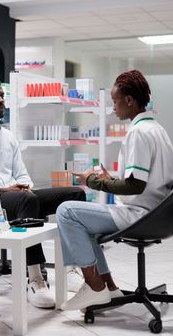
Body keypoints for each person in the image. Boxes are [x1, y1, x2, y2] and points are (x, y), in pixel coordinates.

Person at [0, 76, 86, 309]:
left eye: (2, 96)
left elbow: (23, 175)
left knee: (75, 195)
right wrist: (3, 189)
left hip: (18, 198)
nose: (1, 101)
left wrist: (24, 185)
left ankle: (73, 266)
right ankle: (35, 279)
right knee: (27, 199)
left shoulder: (8, 137)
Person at [56, 69, 173, 311]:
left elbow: (135, 185)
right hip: (159, 215)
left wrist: (93, 181)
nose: (113, 107)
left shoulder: (138, 133)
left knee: (66, 211)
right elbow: (144, 179)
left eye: (114, 101)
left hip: (139, 215)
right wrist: (113, 179)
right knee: (82, 224)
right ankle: (109, 287)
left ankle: (93, 286)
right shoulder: (157, 130)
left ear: (129, 100)